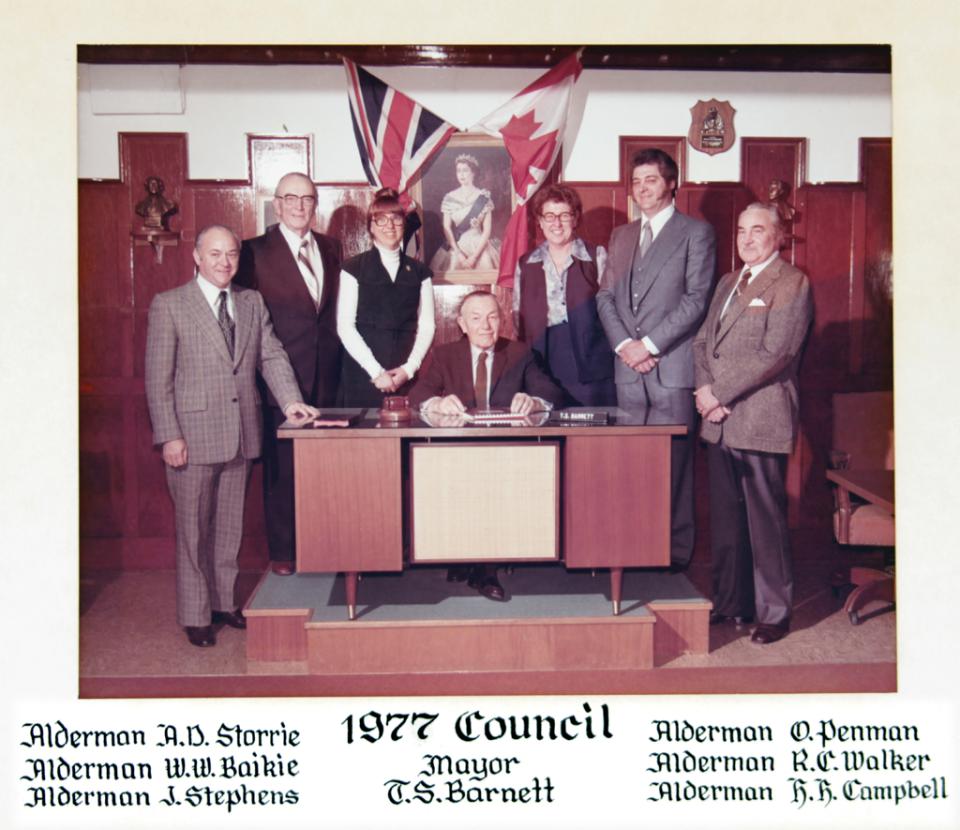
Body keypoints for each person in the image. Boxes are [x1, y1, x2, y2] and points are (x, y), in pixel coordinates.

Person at [145, 225, 317, 648]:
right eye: (215, 254)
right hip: (191, 436)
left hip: (241, 435)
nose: (224, 262)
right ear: (197, 257)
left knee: (228, 530)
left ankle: (223, 603)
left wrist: (291, 400)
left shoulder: (250, 301)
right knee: (193, 532)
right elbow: (157, 378)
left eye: (232, 255)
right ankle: (195, 615)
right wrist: (169, 436)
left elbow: (271, 354)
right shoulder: (170, 305)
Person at [693, 203, 813, 645]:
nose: (747, 238)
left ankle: (774, 613)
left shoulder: (792, 283)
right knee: (726, 522)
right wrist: (706, 394)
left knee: (765, 522)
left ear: (778, 236)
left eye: (757, 230)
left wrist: (718, 395)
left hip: (760, 416)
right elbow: (703, 342)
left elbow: (776, 354)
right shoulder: (728, 282)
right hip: (719, 422)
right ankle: (731, 602)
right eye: (741, 230)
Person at [597, 148, 716, 571]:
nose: (642, 188)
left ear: (670, 184)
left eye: (650, 180)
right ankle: (635, 548)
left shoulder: (695, 233)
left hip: (671, 370)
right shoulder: (622, 236)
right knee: (632, 467)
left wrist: (647, 345)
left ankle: (674, 558)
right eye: (636, 182)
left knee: (675, 468)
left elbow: (697, 300)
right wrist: (624, 347)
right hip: (627, 372)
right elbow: (606, 296)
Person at [408, 290, 563, 600]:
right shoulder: (445, 355)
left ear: (501, 320)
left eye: (493, 317)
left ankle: (485, 567)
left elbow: (552, 393)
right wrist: (436, 403)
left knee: (493, 480)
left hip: (505, 454)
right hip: (455, 452)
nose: (486, 326)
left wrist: (533, 401)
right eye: (476, 318)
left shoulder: (520, 353)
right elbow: (417, 397)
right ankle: (465, 557)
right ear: (462, 324)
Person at [235, 171, 341, 576]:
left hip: (328, 377)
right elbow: (246, 319)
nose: (299, 206)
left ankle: (320, 545)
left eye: (307, 199)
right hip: (277, 377)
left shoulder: (331, 248)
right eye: (291, 198)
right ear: (276, 205)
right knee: (282, 468)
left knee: (322, 466)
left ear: (315, 205)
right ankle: (284, 551)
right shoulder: (253, 252)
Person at [513, 184, 616, 406]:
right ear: (539, 221)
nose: (556, 223)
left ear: (575, 218)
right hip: (541, 359)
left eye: (564, 215)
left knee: (591, 433)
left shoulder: (595, 256)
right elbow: (517, 318)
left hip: (590, 361)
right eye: (549, 216)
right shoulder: (526, 263)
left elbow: (611, 311)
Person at [337, 187, 435, 407]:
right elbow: (345, 326)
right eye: (381, 220)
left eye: (395, 219)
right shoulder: (353, 269)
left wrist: (408, 370)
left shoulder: (420, 272)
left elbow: (427, 326)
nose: (389, 226)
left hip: (405, 374)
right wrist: (376, 372)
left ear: (404, 223)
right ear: (371, 226)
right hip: (363, 374)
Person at [429, 154, 501, 274]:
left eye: (465, 170)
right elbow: (446, 227)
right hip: (457, 246)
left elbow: (487, 231)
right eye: (458, 171)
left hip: (479, 246)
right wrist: (459, 254)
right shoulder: (449, 198)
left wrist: (474, 257)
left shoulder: (484, 197)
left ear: (473, 173)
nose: (461, 175)